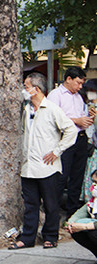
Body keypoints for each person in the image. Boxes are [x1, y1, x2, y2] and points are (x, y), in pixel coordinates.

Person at [10, 72, 77, 250]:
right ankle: (28, 238)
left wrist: (57, 151)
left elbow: (71, 131)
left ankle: (50, 236)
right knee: (30, 205)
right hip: (28, 167)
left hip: (48, 167)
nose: (23, 91)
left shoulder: (53, 109)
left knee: (51, 204)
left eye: (26, 87)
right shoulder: (26, 110)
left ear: (36, 89)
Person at [48, 66, 92, 217]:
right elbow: (52, 119)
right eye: (78, 83)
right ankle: (54, 214)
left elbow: (81, 116)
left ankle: (72, 214)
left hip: (80, 138)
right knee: (62, 176)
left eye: (82, 84)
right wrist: (76, 120)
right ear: (68, 79)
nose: (80, 87)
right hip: (65, 139)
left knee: (77, 177)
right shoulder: (56, 95)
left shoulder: (78, 97)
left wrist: (87, 119)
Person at [67, 170, 97, 264]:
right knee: (76, 231)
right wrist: (71, 223)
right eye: (93, 182)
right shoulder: (94, 200)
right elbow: (82, 211)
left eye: (96, 182)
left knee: (93, 233)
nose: (94, 185)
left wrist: (84, 226)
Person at [81, 79, 97, 201]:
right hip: (89, 147)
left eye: (92, 91)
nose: (90, 93)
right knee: (89, 177)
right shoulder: (85, 106)